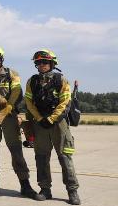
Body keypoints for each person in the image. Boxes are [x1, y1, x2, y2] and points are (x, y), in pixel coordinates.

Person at [0, 44, 42, 200]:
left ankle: (25, 184)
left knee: (16, 150)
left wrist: (5, 110)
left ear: (1, 58)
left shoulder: (12, 74)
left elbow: (17, 92)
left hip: (9, 113)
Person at [25, 49, 80, 205]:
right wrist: (39, 118)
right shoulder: (32, 81)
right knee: (41, 158)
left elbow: (65, 102)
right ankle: (45, 189)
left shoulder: (61, 80)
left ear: (52, 63)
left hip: (58, 124)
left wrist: (51, 118)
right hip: (40, 122)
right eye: (38, 63)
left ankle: (72, 191)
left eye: (44, 62)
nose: (41, 65)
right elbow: (28, 102)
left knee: (65, 157)